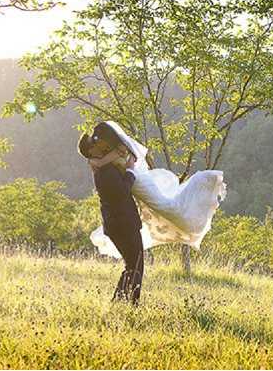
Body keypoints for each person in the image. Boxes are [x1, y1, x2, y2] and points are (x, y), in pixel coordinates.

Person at [82, 121, 227, 260]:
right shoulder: (105, 155)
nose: (96, 141)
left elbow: (116, 156)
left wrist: (96, 161)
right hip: (134, 183)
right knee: (165, 205)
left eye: (96, 139)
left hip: (138, 181)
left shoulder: (116, 150)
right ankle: (202, 185)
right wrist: (95, 160)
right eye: (93, 141)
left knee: (165, 205)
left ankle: (203, 180)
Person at [78, 122, 144, 306]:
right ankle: (128, 305)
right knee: (135, 266)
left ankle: (122, 302)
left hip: (120, 224)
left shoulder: (104, 166)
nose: (100, 142)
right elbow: (123, 192)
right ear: (92, 151)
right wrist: (130, 171)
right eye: (95, 141)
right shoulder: (104, 172)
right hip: (122, 224)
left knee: (132, 266)